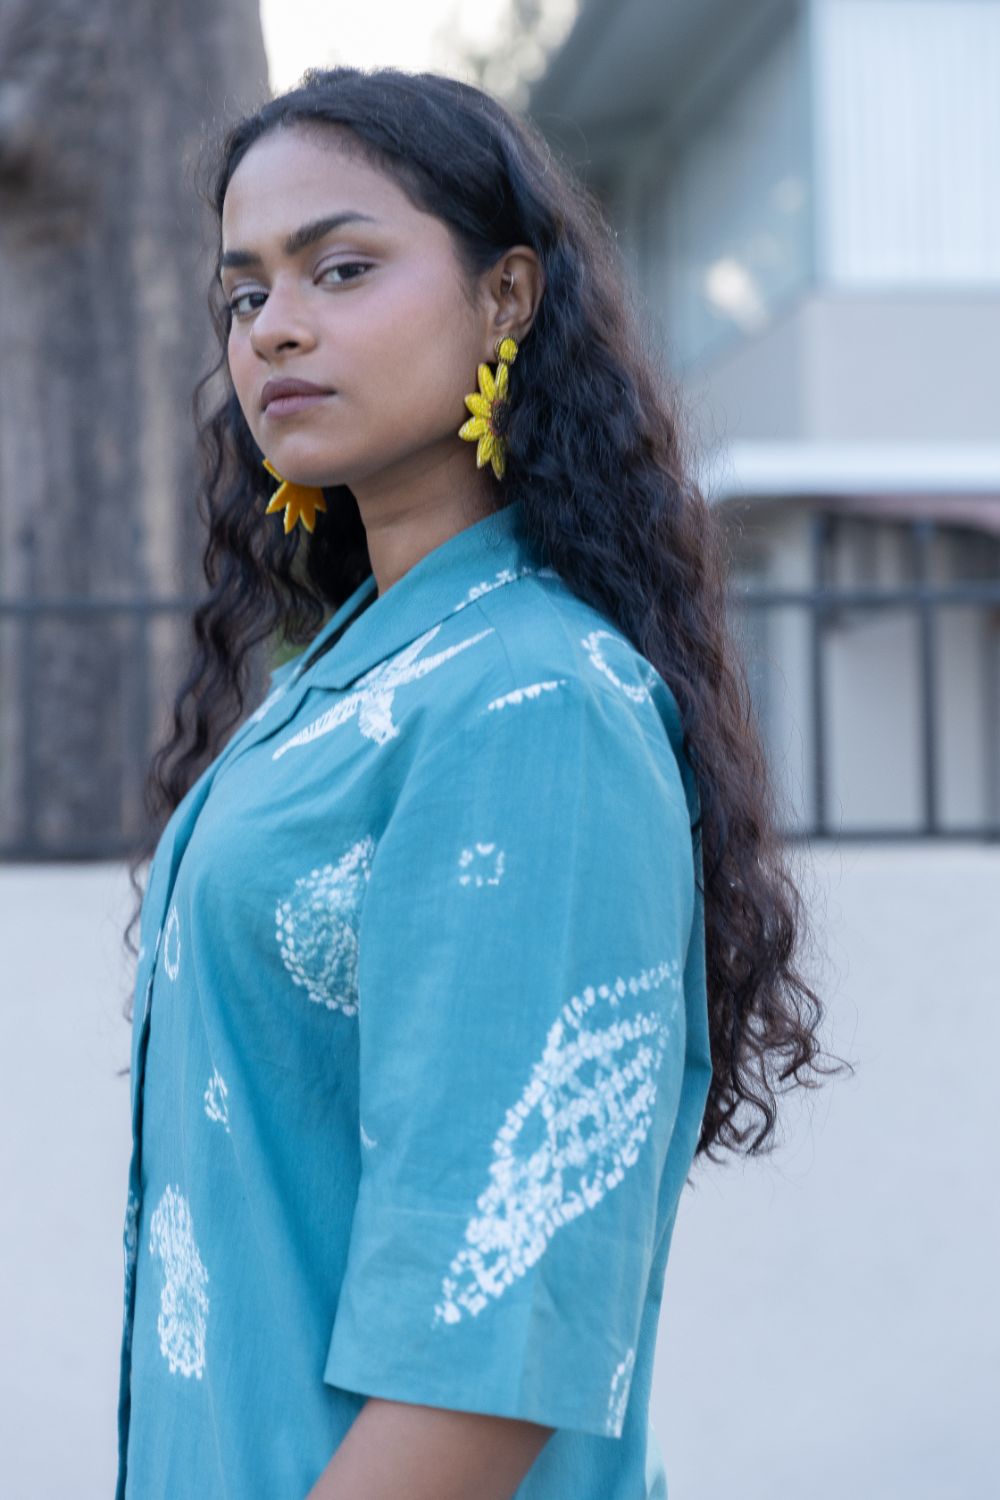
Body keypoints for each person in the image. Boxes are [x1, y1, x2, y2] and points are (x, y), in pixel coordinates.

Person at [115, 66, 843, 1500]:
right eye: (244, 293)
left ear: (506, 297)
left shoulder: (531, 705)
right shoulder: (346, 682)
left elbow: (487, 1348)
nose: (274, 327)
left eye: (341, 268)